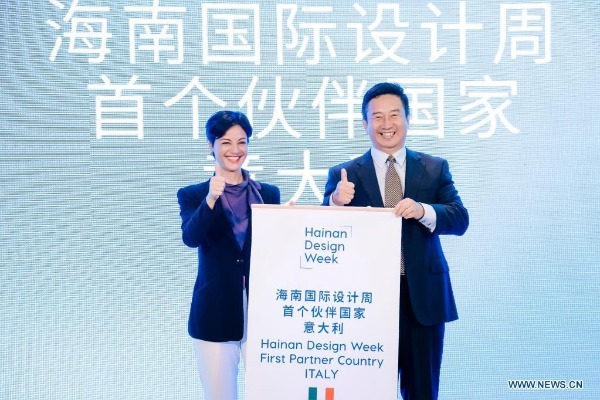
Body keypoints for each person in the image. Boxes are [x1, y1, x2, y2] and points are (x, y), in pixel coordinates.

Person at [322, 82, 468, 400]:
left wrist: (423, 210)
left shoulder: (434, 168)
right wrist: (335, 202)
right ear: (365, 124)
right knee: (364, 392)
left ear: (408, 118)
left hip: (422, 300)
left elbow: (460, 219)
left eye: (394, 115)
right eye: (377, 117)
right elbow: (323, 230)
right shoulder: (344, 174)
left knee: (422, 392)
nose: (386, 124)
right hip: (365, 302)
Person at [177, 110, 281, 400]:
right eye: (225, 142)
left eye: (241, 142)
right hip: (216, 310)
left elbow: (274, 249)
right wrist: (211, 199)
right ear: (210, 146)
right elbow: (191, 237)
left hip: (264, 311)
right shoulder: (193, 194)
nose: (235, 150)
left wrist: (289, 224)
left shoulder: (268, 194)